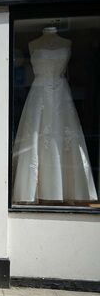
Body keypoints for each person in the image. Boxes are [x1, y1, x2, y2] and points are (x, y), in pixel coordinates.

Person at [12, 27, 97, 203]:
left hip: (61, 94)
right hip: (39, 93)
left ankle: (69, 191)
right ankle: (32, 191)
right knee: (37, 138)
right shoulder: (33, 44)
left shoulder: (67, 43)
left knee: (63, 139)